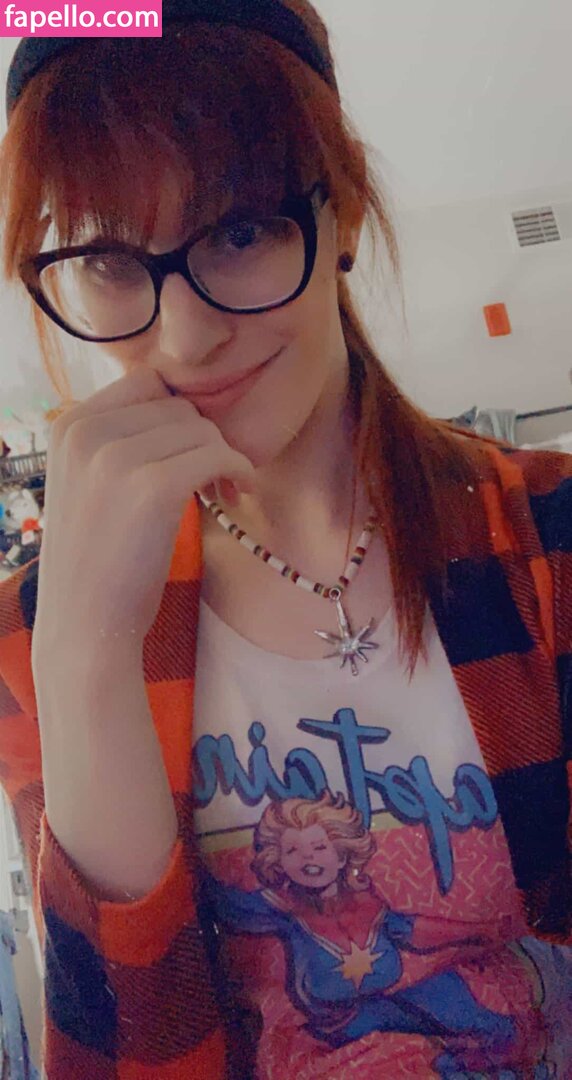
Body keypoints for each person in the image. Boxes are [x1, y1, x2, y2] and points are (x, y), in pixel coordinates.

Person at [0, 3, 569, 1078]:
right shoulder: (35, 631)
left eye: (240, 230)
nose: (183, 336)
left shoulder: (551, 538)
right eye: (108, 259)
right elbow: (127, 1049)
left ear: (340, 210)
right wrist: (82, 663)